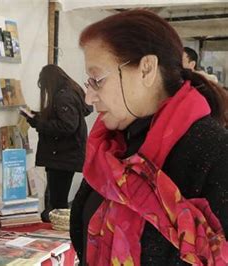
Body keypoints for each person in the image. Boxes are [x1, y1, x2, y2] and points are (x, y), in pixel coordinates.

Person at [70, 10, 228, 265]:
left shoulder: (214, 152)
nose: (89, 97)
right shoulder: (110, 146)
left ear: (146, 69)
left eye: (97, 79)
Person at [20, 64, 92, 222]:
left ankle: (59, 234)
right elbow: (61, 119)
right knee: (56, 199)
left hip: (62, 156)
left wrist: (38, 122)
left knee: (57, 203)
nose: (45, 91)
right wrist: (35, 116)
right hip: (65, 155)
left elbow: (67, 125)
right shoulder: (69, 93)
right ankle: (58, 232)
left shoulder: (63, 97)